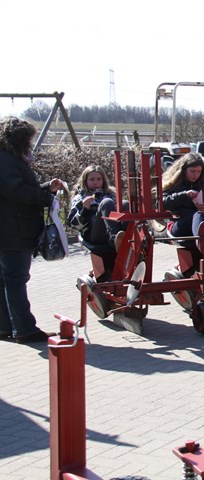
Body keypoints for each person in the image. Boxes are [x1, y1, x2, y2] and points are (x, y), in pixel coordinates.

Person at [0, 117, 64, 343]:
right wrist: (46, 197)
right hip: (13, 231)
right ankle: (24, 329)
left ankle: (6, 326)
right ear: (18, 139)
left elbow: (17, 190)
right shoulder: (6, 161)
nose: (30, 143)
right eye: (28, 138)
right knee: (16, 279)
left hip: (10, 229)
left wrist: (46, 188)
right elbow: (16, 191)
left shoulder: (8, 160)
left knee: (7, 280)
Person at [161, 152, 204, 254]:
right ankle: (201, 241)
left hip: (203, 221)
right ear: (184, 170)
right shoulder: (174, 183)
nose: (195, 175)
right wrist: (184, 195)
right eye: (192, 171)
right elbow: (163, 203)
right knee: (198, 215)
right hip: (179, 224)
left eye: (198, 172)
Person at [67, 165, 125, 251]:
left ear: (103, 180)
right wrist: (85, 210)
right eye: (92, 179)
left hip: (116, 229)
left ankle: (129, 238)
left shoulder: (111, 194)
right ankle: (115, 240)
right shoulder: (80, 198)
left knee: (125, 203)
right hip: (94, 234)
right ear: (85, 181)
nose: (95, 182)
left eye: (99, 179)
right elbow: (74, 226)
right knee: (107, 202)